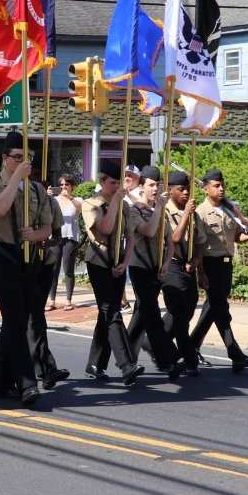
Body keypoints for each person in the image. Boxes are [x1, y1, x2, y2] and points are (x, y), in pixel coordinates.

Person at [0, 133, 52, 407]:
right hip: (0, 253)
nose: (24, 162)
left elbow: (47, 227)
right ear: (5, 158)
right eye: (18, 157)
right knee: (16, 320)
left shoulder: (36, 189)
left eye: (28, 158)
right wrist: (15, 179)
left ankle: (1, 385)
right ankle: (27, 383)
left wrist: (35, 235)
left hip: (27, 256)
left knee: (16, 320)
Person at [81, 160, 143, 385]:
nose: (117, 186)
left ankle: (95, 363)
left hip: (118, 261)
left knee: (106, 314)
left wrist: (125, 263)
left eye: (120, 182)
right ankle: (127, 363)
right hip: (98, 260)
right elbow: (105, 229)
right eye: (113, 182)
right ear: (102, 182)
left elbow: (131, 237)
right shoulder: (91, 204)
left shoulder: (126, 206)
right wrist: (115, 202)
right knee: (112, 311)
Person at [188, 168, 248, 373]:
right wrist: (201, 272)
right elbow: (198, 246)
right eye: (216, 185)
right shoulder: (200, 213)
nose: (221, 188)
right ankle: (235, 354)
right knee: (221, 310)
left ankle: (190, 347)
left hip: (227, 264)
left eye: (222, 185)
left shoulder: (228, 209)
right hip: (210, 264)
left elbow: (237, 237)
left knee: (213, 308)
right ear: (205, 188)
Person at [125, 167, 183, 380]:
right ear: (141, 187)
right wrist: (159, 207)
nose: (155, 188)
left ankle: (125, 359)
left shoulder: (162, 211)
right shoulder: (135, 210)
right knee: (152, 313)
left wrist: (167, 263)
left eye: (157, 185)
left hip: (156, 269)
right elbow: (148, 231)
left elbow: (169, 243)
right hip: (139, 267)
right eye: (151, 185)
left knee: (142, 316)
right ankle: (169, 360)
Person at [28, 183, 71, 390]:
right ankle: (44, 369)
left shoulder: (52, 204)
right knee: (32, 318)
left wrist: (47, 242)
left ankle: (44, 368)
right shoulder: (19, 200)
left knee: (36, 317)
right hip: (23, 264)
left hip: (44, 263)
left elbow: (57, 236)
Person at [161, 169, 202, 376]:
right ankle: (189, 358)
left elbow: (199, 240)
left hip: (188, 266)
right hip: (172, 265)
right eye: (181, 189)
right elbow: (175, 238)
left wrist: (196, 260)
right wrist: (185, 213)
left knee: (187, 311)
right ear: (170, 190)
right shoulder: (165, 212)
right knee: (179, 314)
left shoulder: (191, 211)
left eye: (187, 189)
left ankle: (155, 343)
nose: (186, 193)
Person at [47, 174, 83, 310]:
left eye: (66, 184)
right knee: (53, 269)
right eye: (61, 185)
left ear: (72, 186)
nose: (63, 187)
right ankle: (52, 300)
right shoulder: (54, 200)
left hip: (71, 238)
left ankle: (68, 300)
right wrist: (47, 196)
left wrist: (70, 198)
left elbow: (81, 209)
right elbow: (45, 211)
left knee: (68, 269)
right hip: (56, 237)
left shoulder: (77, 199)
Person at [120, 163, 142, 311]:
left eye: (131, 176)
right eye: (126, 175)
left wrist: (128, 194)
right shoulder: (119, 191)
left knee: (135, 275)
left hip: (135, 240)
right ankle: (123, 302)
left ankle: (140, 304)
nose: (127, 178)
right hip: (120, 238)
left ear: (138, 179)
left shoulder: (140, 192)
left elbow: (143, 205)